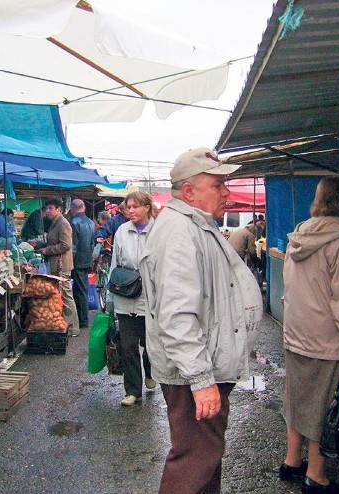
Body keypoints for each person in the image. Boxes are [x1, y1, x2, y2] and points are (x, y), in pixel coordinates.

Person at [139, 148, 263, 493]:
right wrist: (202, 379)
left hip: (202, 366)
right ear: (190, 191)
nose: (226, 192)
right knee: (194, 461)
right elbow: (177, 317)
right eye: (218, 184)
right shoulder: (180, 233)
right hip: (192, 370)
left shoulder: (194, 225)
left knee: (205, 457)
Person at [281, 176, 339, 494]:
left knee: (297, 400)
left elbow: (290, 287)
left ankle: (291, 462)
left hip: (296, 333)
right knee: (323, 406)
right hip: (326, 339)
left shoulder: (299, 235)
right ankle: (316, 477)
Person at [107, 191, 156, 407]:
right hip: (125, 298)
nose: (131, 211)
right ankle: (133, 391)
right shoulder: (121, 231)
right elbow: (114, 264)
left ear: (147, 207)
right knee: (127, 346)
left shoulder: (159, 232)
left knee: (150, 345)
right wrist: (110, 300)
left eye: (136, 206)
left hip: (150, 299)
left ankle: (151, 372)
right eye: (129, 207)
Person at [37, 197, 79, 336]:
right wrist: (39, 245)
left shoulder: (63, 224)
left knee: (66, 296)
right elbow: (54, 241)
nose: (47, 211)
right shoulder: (54, 223)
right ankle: (64, 325)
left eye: (51, 208)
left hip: (62, 266)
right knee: (61, 295)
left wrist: (47, 250)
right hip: (55, 265)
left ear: (58, 209)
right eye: (46, 208)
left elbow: (65, 245)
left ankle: (73, 328)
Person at [69, 199, 94, 329]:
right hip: (86, 260)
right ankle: (82, 318)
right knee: (82, 289)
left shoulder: (73, 223)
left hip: (77, 261)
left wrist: (69, 262)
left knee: (79, 291)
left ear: (72, 209)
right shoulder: (90, 222)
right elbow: (91, 244)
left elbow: (73, 246)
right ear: (83, 208)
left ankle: (82, 320)